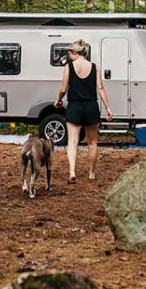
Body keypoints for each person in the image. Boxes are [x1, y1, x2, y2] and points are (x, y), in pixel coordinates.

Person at [53, 39, 112, 183]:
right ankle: (91, 173)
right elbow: (100, 88)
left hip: (75, 107)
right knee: (92, 142)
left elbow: (63, 89)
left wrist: (58, 100)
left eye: (69, 54)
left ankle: (72, 172)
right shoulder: (94, 67)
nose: (69, 56)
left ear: (75, 53)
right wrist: (108, 107)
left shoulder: (69, 67)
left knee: (72, 141)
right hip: (91, 107)